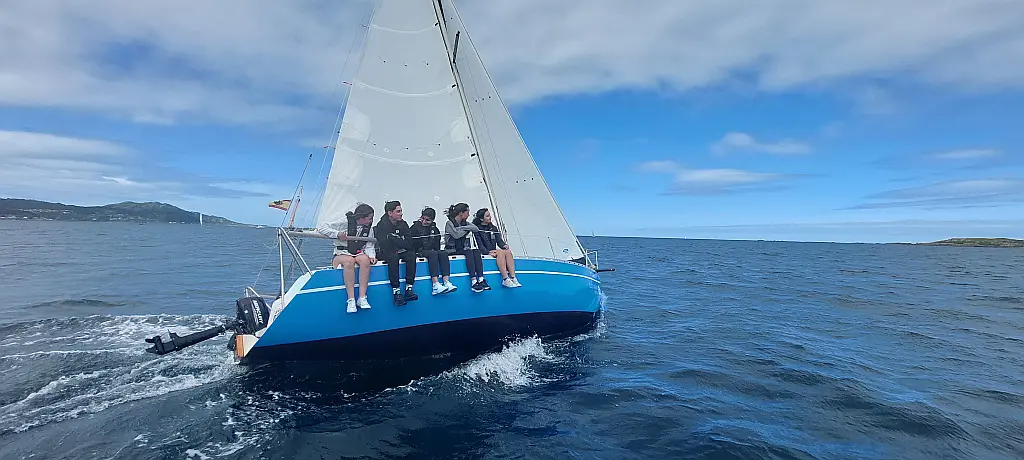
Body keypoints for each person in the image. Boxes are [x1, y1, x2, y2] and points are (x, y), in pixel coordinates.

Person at [316, 203, 375, 313]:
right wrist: (337, 234)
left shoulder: (369, 229)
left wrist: (372, 256)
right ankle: (351, 299)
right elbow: (322, 228)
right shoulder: (344, 222)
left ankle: (362, 297)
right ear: (361, 218)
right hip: (341, 253)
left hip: (358, 253)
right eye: (369, 218)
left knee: (365, 260)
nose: (371, 221)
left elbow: (369, 244)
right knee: (349, 261)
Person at [374, 200, 418, 306]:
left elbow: (409, 243)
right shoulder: (381, 225)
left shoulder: (403, 224)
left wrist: (395, 239)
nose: (401, 214)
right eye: (398, 211)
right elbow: (384, 244)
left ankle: (409, 288)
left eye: (401, 211)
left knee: (411, 255)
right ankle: (396, 291)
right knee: (393, 257)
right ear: (390, 213)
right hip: (387, 252)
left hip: (401, 249)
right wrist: (399, 241)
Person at [410, 207, 457, 295]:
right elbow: (412, 243)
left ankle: (446, 282)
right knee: (433, 254)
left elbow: (437, 245)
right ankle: (435, 284)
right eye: (423, 218)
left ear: (432, 220)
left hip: (432, 250)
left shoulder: (435, 230)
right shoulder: (414, 228)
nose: (424, 221)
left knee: (443, 253)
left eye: (427, 220)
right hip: (419, 250)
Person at [445, 202, 489, 292]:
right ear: (461, 213)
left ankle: (481, 279)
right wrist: (467, 229)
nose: (469, 215)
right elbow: (456, 235)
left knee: (476, 251)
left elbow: (475, 228)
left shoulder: (465, 223)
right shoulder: (449, 223)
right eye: (467, 212)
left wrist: (461, 228)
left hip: (460, 248)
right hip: (452, 250)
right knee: (468, 251)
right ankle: (473, 280)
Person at [473, 208, 521, 288]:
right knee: (500, 252)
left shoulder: (493, 228)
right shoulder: (477, 229)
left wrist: (504, 245)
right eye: (487, 216)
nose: (490, 217)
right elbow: (479, 244)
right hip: (485, 251)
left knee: (508, 252)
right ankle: (505, 278)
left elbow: (499, 241)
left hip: (494, 250)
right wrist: (487, 252)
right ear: (481, 219)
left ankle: (513, 277)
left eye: (489, 215)